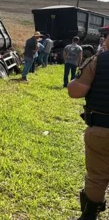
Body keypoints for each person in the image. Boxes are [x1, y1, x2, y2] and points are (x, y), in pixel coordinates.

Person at [67, 27, 109, 220]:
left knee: (97, 177)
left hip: (101, 130)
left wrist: (73, 80)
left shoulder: (98, 61)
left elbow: (75, 92)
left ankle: (90, 214)